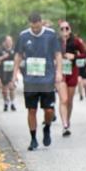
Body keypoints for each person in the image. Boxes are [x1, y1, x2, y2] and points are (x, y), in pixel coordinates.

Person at [13, 12, 62, 150]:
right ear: (30, 24)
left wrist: (59, 72)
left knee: (49, 110)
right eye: (32, 27)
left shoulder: (51, 34)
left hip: (47, 79)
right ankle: (33, 139)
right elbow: (18, 55)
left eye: (37, 27)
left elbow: (58, 54)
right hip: (30, 80)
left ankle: (47, 127)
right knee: (31, 110)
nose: (35, 30)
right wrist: (15, 73)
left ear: (41, 22)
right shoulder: (23, 36)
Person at [57, 20, 84, 136]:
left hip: (72, 72)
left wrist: (75, 56)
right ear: (59, 31)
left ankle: (68, 120)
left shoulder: (76, 41)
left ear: (70, 29)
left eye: (66, 28)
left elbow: (85, 53)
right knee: (64, 100)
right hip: (61, 73)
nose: (64, 31)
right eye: (62, 29)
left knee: (70, 101)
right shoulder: (56, 42)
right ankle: (64, 125)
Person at [0, 35, 17, 111]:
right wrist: (3, 57)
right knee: (4, 90)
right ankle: (6, 102)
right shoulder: (0, 50)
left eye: (10, 41)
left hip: (12, 72)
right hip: (3, 72)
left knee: (11, 87)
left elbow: (18, 60)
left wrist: (17, 72)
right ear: (4, 42)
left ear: (12, 42)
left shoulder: (15, 50)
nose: (9, 43)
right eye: (7, 41)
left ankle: (12, 103)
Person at [75, 35, 86, 100]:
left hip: (84, 69)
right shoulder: (75, 52)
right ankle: (81, 95)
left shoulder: (85, 51)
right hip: (78, 69)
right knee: (79, 81)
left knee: (85, 84)